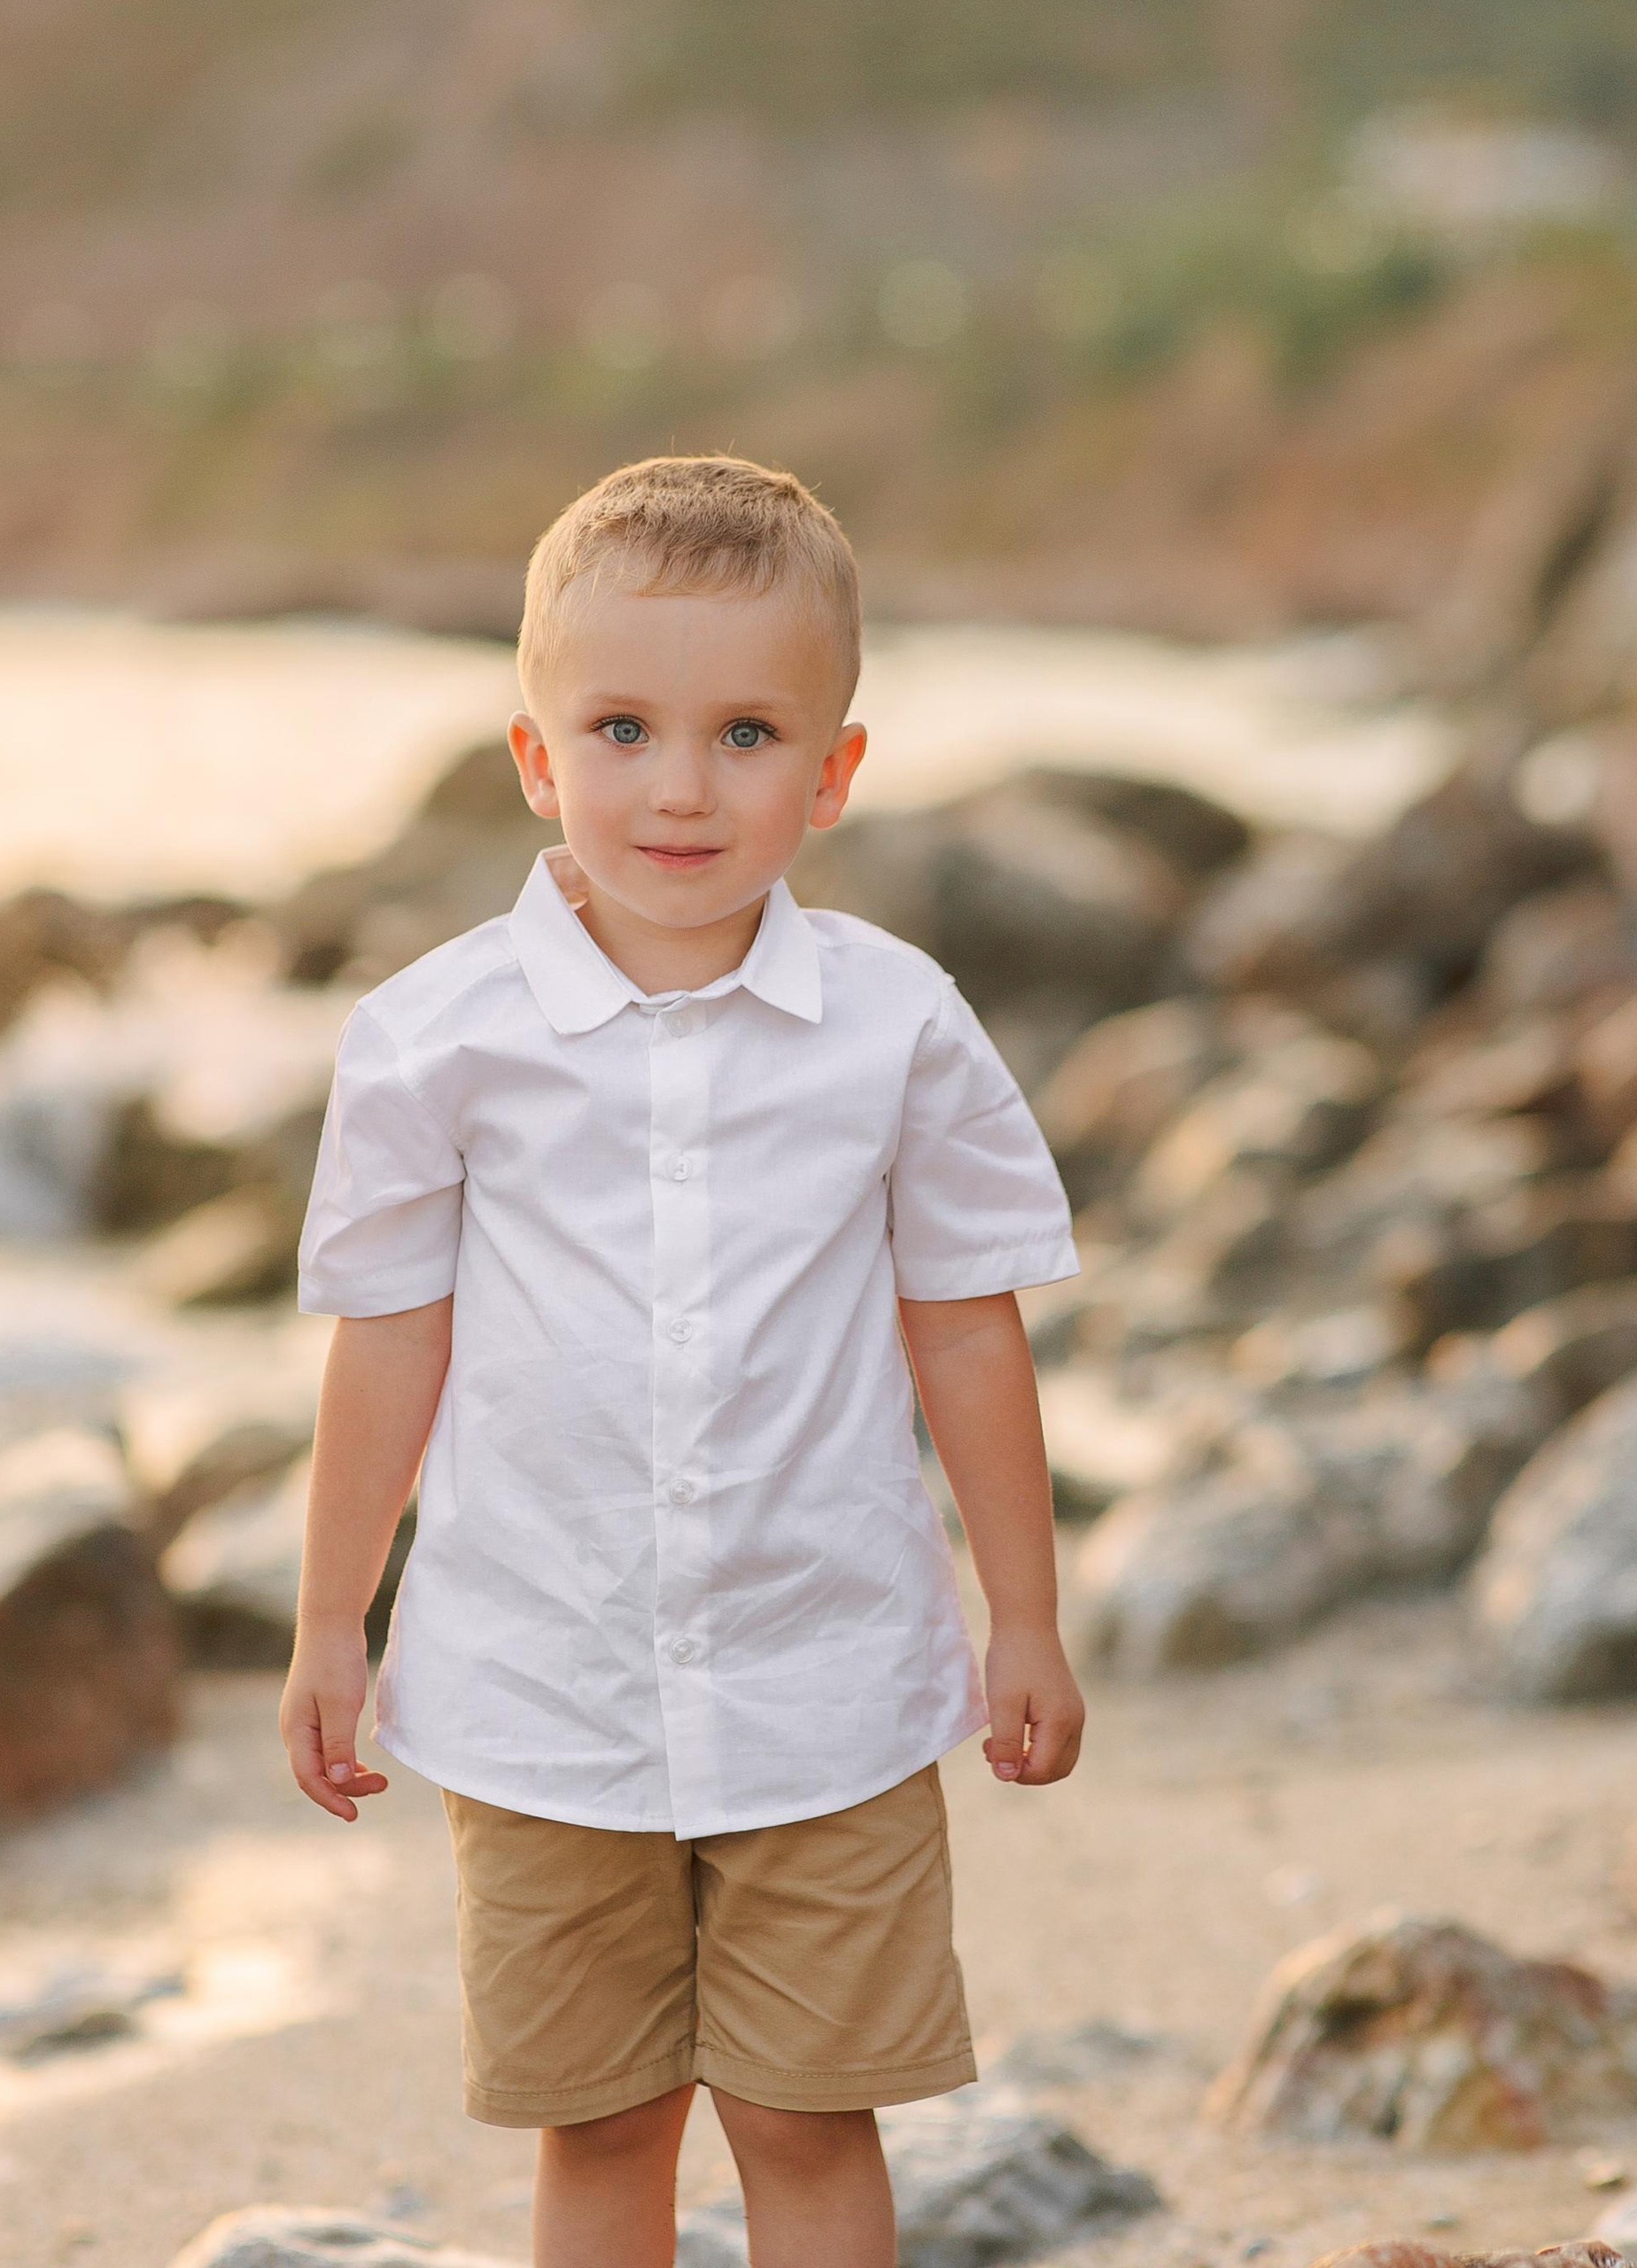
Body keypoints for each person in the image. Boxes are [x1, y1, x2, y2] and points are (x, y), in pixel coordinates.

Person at [280, 452, 1086, 2268]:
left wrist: (1020, 1614)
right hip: (536, 1687)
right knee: (603, 2116)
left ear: (832, 773)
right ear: (534, 756)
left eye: (743, 733)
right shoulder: (431, 1041)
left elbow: (963, 1323)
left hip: (829, 1678)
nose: (677, 783)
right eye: (623, 725)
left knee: (811, 2109)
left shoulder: (894, 1027)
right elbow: (389, 1341)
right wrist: (336, 1619)